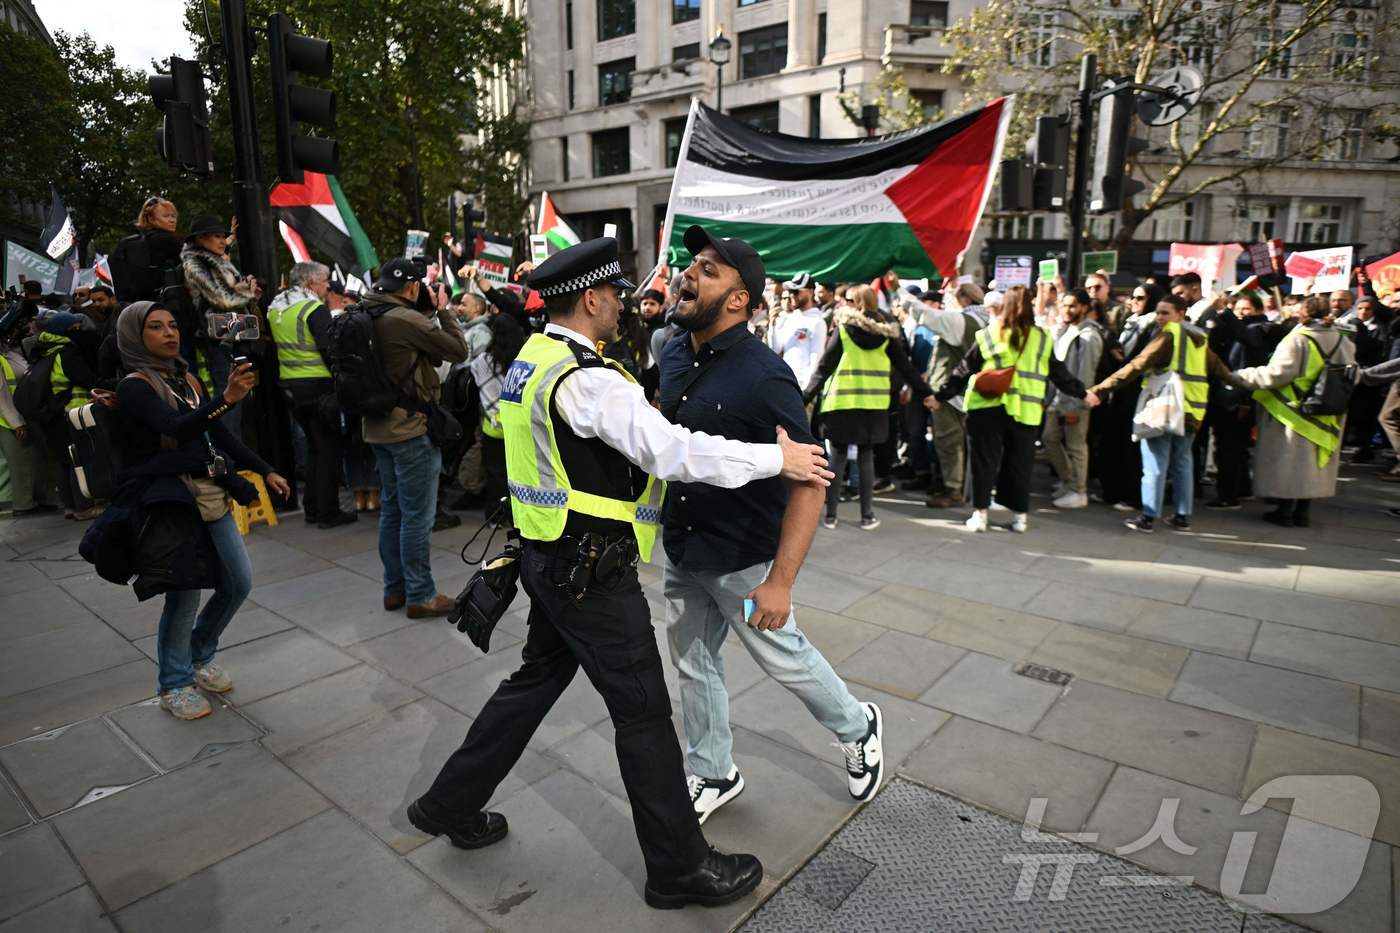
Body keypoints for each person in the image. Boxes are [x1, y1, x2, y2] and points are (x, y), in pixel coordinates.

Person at [408, 237, 832, 910]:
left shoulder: (534, 359)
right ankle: (679, 866)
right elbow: (671, 451)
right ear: (593, 299)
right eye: (616, 297)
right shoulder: (587, 378)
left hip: (546, 558)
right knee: (644, 715)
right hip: (590, 572)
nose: (625, 307)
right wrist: (773, 459)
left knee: (534, 681)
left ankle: (448, 801)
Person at [658, 226, 884, 827]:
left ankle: (859, 725)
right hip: (682, 544)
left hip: (743, 556)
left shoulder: (766, 376)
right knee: (693, 662)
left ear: (739, 299)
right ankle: (713, 771)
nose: (688, 273)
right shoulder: (672, 352)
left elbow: (810, 481)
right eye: (692, 263)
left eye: (708, 269)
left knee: (785, 658)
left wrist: (781, 581)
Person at [109, 301, 290, 719]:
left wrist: (265, 469)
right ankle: (174, 683)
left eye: (172, 324)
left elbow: (215, 433)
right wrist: (227, 398)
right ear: (136, 337)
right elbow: (176, 428)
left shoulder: (185, 377)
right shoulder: (134, 387)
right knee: (184, 597)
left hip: (211, 495)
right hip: (172, 502)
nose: (169, 333)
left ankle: (199, 653)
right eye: (155, 327)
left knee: (237, 582)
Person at [359, 259, 469, 619]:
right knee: (417, 517)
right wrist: (444, 310)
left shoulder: (365, 311)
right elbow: (457, 349)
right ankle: (421, 593)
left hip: (377, 427)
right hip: (409, 428)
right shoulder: (406, 320)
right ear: (411, 288)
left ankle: (395, 589)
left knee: (392, 511)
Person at [930, 285, 1088, 534]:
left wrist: (940, 395)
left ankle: (980, 516)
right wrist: (1083, 393)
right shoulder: (1042, 338)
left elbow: (964, 369)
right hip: (1026, 412)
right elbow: (1060, 375)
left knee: (983, 463)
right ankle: (1019, 518)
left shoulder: (990, 334)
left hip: (986, 408)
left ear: (1005, 306)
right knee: (1020, 464)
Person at [1091, 293, 1232, 533]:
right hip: (1192, 410)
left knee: (1156, 462)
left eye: (1165, 312)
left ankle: (1148, 517)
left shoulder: (1169, 335)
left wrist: (1100, 390)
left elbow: (1137, 365)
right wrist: (1246, 382)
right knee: (1183, 462)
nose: (1159, 317)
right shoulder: (1200, 337)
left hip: (1166, 408)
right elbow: (1221, 370)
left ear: (1180, 314)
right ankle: (1182, 516)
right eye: (1158, 312)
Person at [805, 284, 933, 530]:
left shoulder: (843, 331)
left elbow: (823, 368)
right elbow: (907, 368)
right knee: (866, 458)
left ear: (857, 303)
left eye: (850, 301)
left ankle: (830, 516)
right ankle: (867, 516)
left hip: (842, 404)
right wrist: (926, 394)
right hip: (873, 407)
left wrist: (804, 397)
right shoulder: (887, 335)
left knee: (837, 459)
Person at [1227, 294, 1355, 527]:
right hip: (1329, 408)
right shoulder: (1342, 338)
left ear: (1303, 312)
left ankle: (1284, 511)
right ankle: (1303, 512)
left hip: (1293, 408)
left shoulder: (1297, 339)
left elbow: (1276, 375)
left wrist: (1238, 376)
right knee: (1315, 462)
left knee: (1292, 462)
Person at [268, 261, 355, 529]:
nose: (327, 285)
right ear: (309, 283)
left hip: (291, 387)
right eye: (324, 280)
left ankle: (312, 508)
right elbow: (330, 350)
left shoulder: (276, 308)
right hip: (318, 386)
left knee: (315, 448)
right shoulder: (312, 308)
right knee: (328, 449)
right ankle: (328, 511)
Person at [906, 283, 989, 510]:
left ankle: (953, 490)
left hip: (950, 394)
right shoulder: (985, 320)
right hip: (970, 392)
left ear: (963, 299)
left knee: (949, 443)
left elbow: (924, 314)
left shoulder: (960, 321)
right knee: (961, 443)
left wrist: (897, 290)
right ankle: (957, 486)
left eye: (951, 296)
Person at [180, 215, 260, 436]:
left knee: (239, 395)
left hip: (232, 331)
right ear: (200, 238)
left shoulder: (212, 260)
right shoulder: (195, 264)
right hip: (219, 337)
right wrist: (247, 290)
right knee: (228, 395)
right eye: (217, 236)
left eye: (224, 237)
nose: (223, 241)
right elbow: (223, 298)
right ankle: (226, 455)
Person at [1043, 288, 1104, 509]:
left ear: (1084, 307)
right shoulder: (1068, 331)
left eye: (1073, 306)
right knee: (1049, 439)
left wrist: (1076, 405)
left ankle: (1078, 490)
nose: (1067, 310)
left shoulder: (1088, 337)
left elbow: (1085, 375)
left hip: (1075, 401)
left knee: (1076, 446)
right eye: (1065, 305)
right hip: (1059, 399)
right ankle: (1069, 481)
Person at [468, 311, 525, 523]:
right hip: (518, 425)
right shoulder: (524, 360)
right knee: (517, 472)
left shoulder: (483, 361)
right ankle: (517, 514)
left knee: (495, 473)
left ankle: (495, 514)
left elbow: (473, 375)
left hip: (492, 426)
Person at [109, 196, 183, 304]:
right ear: (151, 219)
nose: (172, 220)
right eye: (166, 216)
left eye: (173, 216)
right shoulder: (169, 241)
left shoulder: (129, 243)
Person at [767, 272, 827, 389]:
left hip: (802, 387)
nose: (791, 296)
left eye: (795, 292)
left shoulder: (817, 322)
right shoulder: (788, 318)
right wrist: (772, 325)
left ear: (810, 292)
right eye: (789, 292)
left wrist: (806, 390)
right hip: (785, 382)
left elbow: (816, 359)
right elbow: (776, 349)